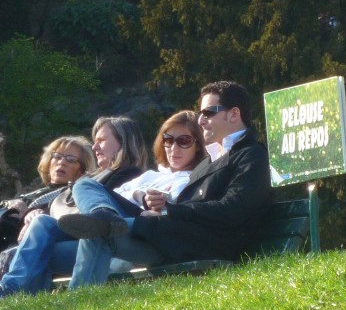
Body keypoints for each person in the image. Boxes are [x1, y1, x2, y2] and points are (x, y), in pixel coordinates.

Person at [58, 80, 272, 288]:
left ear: (234, 114)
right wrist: (159, 205)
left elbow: (233, 209)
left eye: (209, 113)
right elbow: (189, 205)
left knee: (101, 229)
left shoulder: (252, 155)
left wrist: (170, 211)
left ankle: (101, 230)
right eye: (200, 114)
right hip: (171, 235)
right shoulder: (210, 160)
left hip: (204, 243)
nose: (201, 121)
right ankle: (102, 215)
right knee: (85, 186)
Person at [0, 116, 148, 296]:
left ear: (122, 142)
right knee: (41, 225)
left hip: (111, 239)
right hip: (81, 234)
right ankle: (10, 290)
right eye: (94, 142)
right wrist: (33, 212)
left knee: (36, 251)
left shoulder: (129, 174)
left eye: (101, 141)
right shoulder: (94, 178)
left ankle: (15, 293)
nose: (95, 147)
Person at [0, 135, 96, 250]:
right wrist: (13, 204)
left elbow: (63, 221)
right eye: (57, 156)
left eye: (71, 159)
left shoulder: (75, 195)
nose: (62, 162)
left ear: (82, 171)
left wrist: (28, 212)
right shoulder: (35, 194)